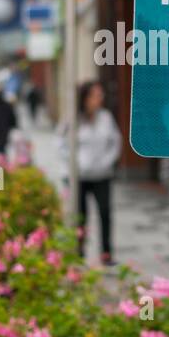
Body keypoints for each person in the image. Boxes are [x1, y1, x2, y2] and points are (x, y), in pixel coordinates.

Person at [67, 81, 121, 266]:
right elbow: (61, 144)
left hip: (102, 175)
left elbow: (115, 142)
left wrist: (108, 161)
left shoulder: (106, 117)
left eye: (101, 95)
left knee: (105, 213)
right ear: (85, 98)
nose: (100, 99)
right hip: (79, 176)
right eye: (96, 95)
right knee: (80, 215)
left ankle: (106, 253)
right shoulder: (73, 119)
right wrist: (73, 165)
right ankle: (79, 251)